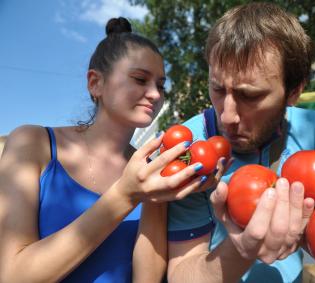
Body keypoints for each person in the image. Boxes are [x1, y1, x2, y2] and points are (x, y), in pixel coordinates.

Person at [165, 3, 315, 283]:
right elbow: (180, 273)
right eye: (217, 89)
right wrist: (240, 250)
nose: (227, 115)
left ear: (294, 91)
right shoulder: (187, 150)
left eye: (250, 96)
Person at [0, 17, 208, 283]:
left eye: (160, 85)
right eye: (140, 79)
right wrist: (126, 195)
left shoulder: (151, 168)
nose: (155, 94)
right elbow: (13, 276)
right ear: (95, 83)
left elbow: (146, 279)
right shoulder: (32, 143)